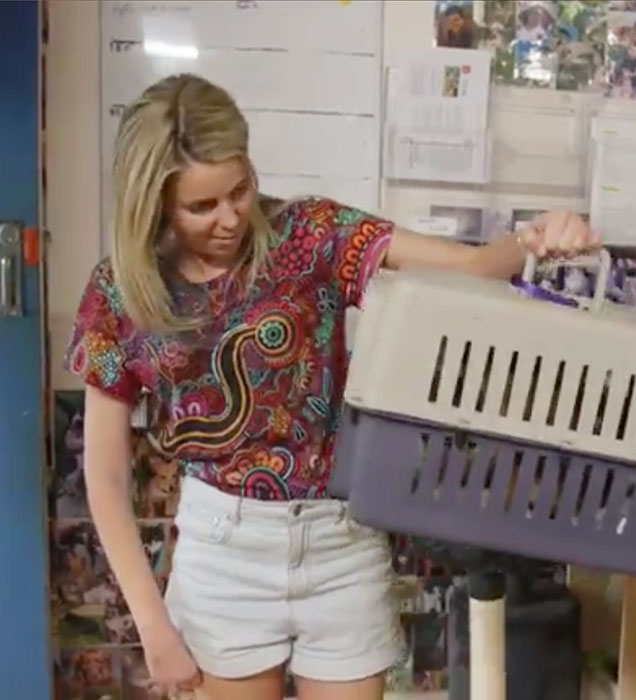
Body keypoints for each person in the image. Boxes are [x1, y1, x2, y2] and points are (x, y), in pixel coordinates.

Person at [66, 73, 600, 700]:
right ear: (154, 204)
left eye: (239, 190)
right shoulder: (119, 292)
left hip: (339, 541)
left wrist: (534, 238)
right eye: (201, 206)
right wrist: (153, 626)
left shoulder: (311, 234)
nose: (230, 217)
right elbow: (103, 479)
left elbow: (469, 268)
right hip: (222, 551)